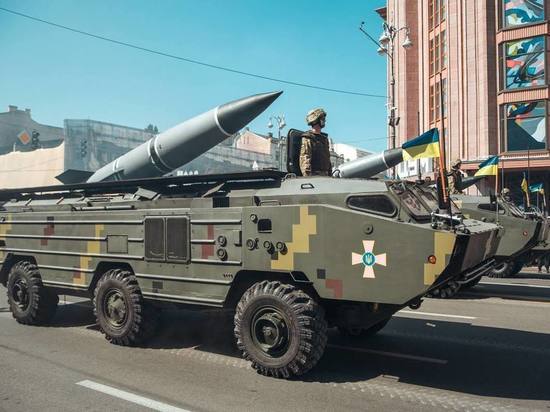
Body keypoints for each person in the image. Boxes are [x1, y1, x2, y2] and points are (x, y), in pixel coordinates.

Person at [299, 108, 332, 176]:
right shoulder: (308, 138)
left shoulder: (324, 139)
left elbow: (328, 160)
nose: (324, 121)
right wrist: (308, 178)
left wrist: (330, 175)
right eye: (322, 119)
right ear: (315, 120)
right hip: (315, 176)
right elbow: (305, 160)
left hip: (325, 176)